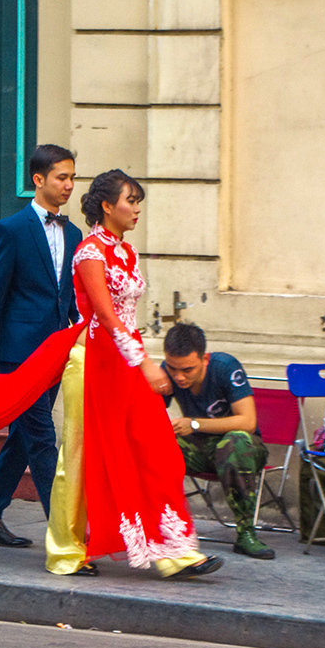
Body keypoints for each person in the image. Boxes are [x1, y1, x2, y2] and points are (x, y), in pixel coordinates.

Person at [44, 170, 223, 579]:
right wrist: (143, 362)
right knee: (78, 457)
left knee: (157, 449)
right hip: (94, 365)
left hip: (126, 362)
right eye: (131, 200)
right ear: (108, 207)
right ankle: (66, 551)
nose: (137, 209)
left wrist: (140, 359)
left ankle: (175, 549)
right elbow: (106, 317)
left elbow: (127, 316)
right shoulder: (90, 252)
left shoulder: (127, 252)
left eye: (139, 201)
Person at [0, 145, 83, 548]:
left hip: (55, 350)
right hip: (19, 352)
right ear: (38, 179)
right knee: (40, 437)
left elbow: (67, 295)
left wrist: (78, 333)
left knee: (21, 436)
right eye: (60, 178)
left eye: (71, 178)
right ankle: (65, 535)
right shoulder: (11, 229)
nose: (68, 185)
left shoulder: (73, 232)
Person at [160, 322, 274, 559]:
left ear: (205, 359)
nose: (179, 377)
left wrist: (193, 424)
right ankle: (163, 529)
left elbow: (247, 421)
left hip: (244, 451)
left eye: (188, 370)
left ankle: (246, 533)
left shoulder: (225, 367)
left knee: (235, 442)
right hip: (201, 450)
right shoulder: (167, 372)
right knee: (156, 446)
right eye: (173, 368)